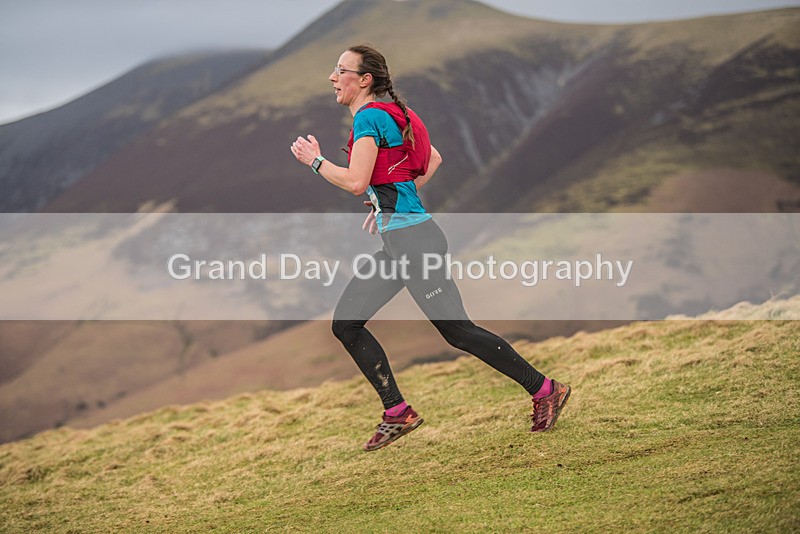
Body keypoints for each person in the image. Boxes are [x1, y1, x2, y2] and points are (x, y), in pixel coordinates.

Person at [290, 44, 570, 451]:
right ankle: (397, 412)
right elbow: (432, 159)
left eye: (341, 70)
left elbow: (354, 180)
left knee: (458, 331)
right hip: (403, 240)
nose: (333, 77)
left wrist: (315, 160)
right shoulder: (396, 113)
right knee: (346, 324)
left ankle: (545, 389)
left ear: (364, 79)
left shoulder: (369, 117)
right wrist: (384, 202)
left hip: (414, 243)